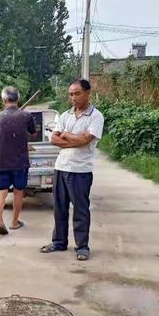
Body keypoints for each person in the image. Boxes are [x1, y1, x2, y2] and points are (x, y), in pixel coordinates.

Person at [41, 79, 104, 261]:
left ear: (87, 93)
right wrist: (74, 138)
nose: (73, 98)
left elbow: (85, 141)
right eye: (70, 94)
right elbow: (54, 139)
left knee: (80, 210)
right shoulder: (65, 115)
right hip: (61, 167)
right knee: (59, 208)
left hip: (80, 171)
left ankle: (82, 246)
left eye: (77, 94)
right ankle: (59, 242)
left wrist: (67, 135)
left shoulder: (95, 116)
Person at [0, 86, 36, 235]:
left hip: (2, 162)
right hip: (20, 162)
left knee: (2, 192)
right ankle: (14, 222)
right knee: (19, 192)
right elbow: (33, 133)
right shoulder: (26, 116)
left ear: (4, 100)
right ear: (18, 99)